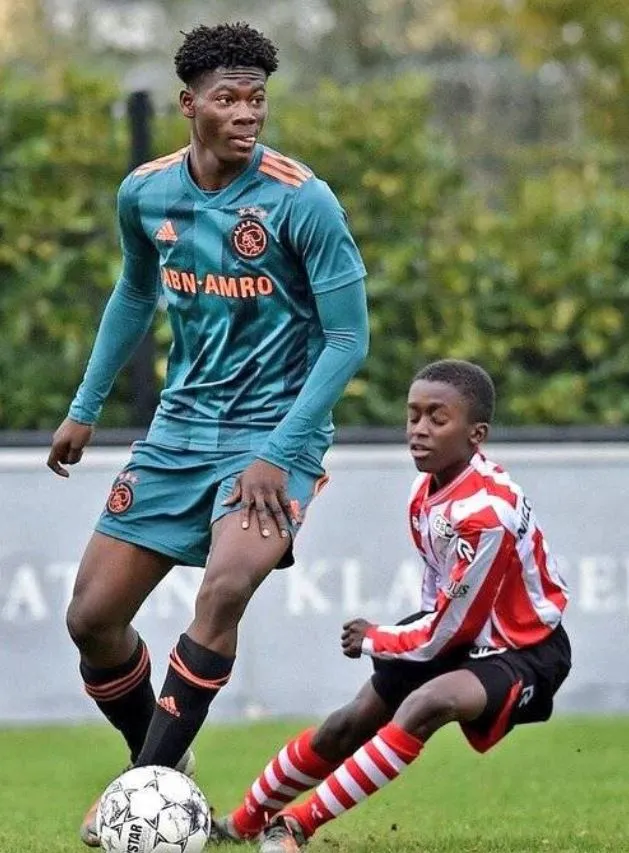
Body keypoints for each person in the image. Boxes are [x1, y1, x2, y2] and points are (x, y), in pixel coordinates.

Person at [46, 21, 369, 848]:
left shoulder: (302, 198)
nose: (246, 113)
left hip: (277, 436)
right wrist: (86, 406)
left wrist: (276, 450)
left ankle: (139, 791)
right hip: (177, 431)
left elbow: (347, 339)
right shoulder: (145, 192)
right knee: (92, 617)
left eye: (256, 98)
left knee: (223, 588)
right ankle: (167, 772)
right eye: (227, 98)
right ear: (189, 104)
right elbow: (132, 294)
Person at [208, 359, 571, 852]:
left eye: (436, 419)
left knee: (427, 704)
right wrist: (401, 643)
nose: (419, 430)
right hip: (455, 627)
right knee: (349, 722)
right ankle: (243, 822)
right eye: (413, 415)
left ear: (476, 434)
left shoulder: (486, 513)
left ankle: (295, 826)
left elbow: (451, 632)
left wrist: (378, 637)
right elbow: (439, 599)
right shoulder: (427, 490)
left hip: (523, 647)